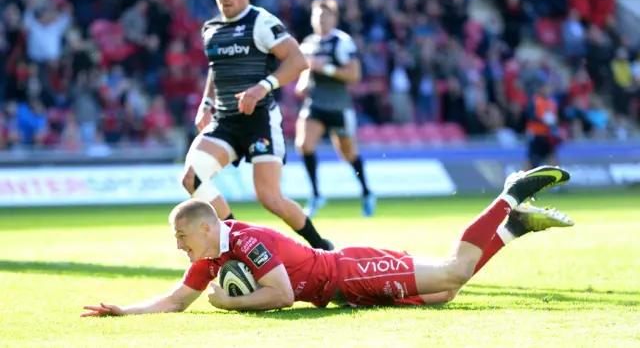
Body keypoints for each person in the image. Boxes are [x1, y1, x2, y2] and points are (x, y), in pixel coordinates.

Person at [81, 166, 571, 316]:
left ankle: (507, 196)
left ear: (207, 228)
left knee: (454, 270)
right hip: (342, 289)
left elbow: (282, 295)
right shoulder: (214, 258)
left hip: (348, 272)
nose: (179, 246)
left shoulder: (247, 242)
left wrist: (230, 304)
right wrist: (125, 312)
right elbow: (175, 300)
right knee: (443, 295)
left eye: (182, 236)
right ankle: (513, 228)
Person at [182, 0, 332, 250]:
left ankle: (322, 247)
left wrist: (262, 87)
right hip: (225, 121)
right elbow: (217, 67)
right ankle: (236, 245)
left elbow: (298, 60)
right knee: (192, 178)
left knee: (269, 198)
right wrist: (206, 101)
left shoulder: (262, 22)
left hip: (259, 120)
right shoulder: (210, 28)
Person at [295, 0, 375, 217]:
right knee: (304, 144)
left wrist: (326, 68)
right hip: (315, 103)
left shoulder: (342, 42)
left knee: (348, 154)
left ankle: (367, 192)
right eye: (316, 16)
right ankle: (316, 194)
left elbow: (354, 75)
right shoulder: (308, 43)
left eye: (324, 16)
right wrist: (302, 82)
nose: (320, 20)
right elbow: (306, 70)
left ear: (334, 18)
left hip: (339, 106)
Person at [525, 83, 562, 169]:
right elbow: (530, 115)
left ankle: (554, 178)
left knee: (552, 158)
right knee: (532, 161)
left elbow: (556, 117)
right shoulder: (535, 101)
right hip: (536, 135)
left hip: (548, 136)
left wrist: (554, 122)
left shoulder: (552, 102)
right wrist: (542, 119)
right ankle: (525, 179)